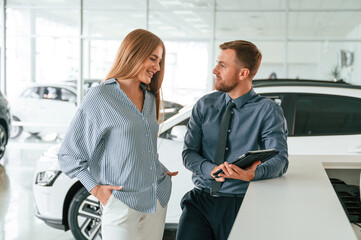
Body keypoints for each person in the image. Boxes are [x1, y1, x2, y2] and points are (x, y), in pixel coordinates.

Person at [58, 29, 178, 240]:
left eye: (160, 61)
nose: (157, 67)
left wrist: (157, 169)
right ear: (133, 54)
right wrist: (96, 189)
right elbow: (69, 155)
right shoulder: (101, 96)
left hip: (156, 198)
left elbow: (139, 145)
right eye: (153, 59)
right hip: (122, 203)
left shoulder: (149, 98)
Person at [176, 40, 288, 240]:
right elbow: (188, 153)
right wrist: (209, 169)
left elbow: (280, 160)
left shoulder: (268, 111)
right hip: (201, 201)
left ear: (243, 73)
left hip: (243, 203)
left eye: (222, 65)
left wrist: (252, 174)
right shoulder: (204, 105)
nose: (214, 70)